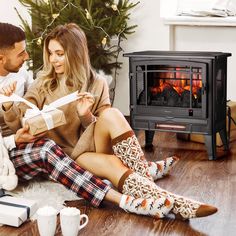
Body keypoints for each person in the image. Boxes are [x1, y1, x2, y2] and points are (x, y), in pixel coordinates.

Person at [1, 23, 217, 220]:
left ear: (75, 54)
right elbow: (21, 122)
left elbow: (103, 127)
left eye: (59, 54)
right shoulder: (43, 83)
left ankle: (146, 183)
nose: (53, 59)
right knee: (113, 163)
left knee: (112, 114)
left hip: (91, 145)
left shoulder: (97, 83)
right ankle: (175, 202)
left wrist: (86, 116)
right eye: (50, 53)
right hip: (68, 155)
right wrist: (9, 106)